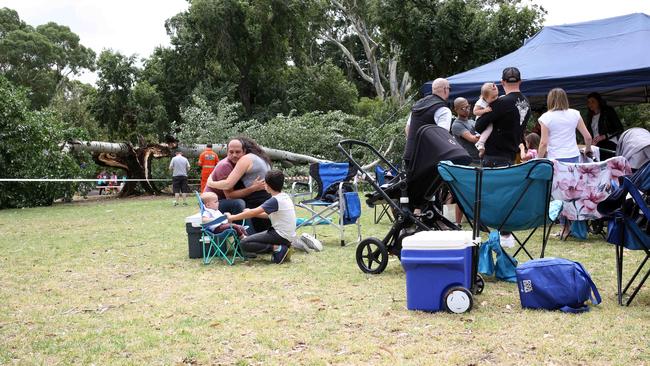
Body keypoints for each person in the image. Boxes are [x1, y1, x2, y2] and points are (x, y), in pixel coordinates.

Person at [475, 67, 532, 248]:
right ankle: (505, 234)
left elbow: (479, 125)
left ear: (502, 82)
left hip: (493, 156)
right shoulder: (526, 103)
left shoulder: (501, 102)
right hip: (509, 155)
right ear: (520, 82)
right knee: (506, 195)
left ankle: (500, 235)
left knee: (492, 196)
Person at [226, 170, 296, 264]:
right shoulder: (285, 197)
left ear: (267, 185)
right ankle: (282, 248)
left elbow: (253, 212)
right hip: (287, 235)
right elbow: (268, 215)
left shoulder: (274, 200)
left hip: (281, 235)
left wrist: (232, 218)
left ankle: (278, 248)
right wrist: (252, 212)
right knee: (254, 238)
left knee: (244, 243)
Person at [207, 137, 271, 233]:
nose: (234, 155)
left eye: (238, 152)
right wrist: (253, 188)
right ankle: (246, 237)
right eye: (231, 152)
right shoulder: (226, 165)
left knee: (243, 207)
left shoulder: (245, 159)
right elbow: (229, 191)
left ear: (244, 151)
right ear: (227, 151)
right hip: (213, 203)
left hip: (258, 198)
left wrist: (211, 182)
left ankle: (247, 238)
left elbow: (228, 185)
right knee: (239, 204)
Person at [403, 78, 452, 168]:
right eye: (449, 89)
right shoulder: (443, 109)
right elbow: (442, 137)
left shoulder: (418, 104)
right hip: (428, 160)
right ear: (445, 89)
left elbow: (407, 128)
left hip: (410, 155)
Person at [537, 88, 592, 163]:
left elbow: (544, 143)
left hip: (555, 157)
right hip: (573, 155)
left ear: (550, 100)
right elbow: (588, 137)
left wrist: (538, 160)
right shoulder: (575, 114)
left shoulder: (546, 117)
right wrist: (588, 149)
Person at [586, 92, 624, 158]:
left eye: (593, 101)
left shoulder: (608, 111)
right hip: (596, 145)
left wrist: (605, 136)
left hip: (609, 143)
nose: (590, 104)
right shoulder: (589, 116)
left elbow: (620, 128)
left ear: (599, 101)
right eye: (588, 102)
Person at [473, 82, 499, 158]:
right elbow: (475, 112)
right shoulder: (480, 102)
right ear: (485, 97)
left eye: (497, 96)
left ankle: (482, 148)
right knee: (490, 128)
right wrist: (485, 110)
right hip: (481, 118)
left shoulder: (493, 99)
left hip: (488, 117)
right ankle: (480, 143)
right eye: (493, 97)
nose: (495, 99)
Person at [451, 97, 480, 163]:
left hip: (480, 158)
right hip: (471, 161)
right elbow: (473, 139)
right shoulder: (457, 125)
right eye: (463, 108)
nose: (466, 110)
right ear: (456, 110)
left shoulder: (471, 121)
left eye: (468, 106)